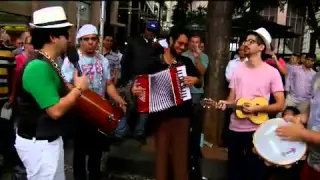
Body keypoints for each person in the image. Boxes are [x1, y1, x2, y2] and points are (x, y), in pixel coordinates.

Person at [14, 6, 89, 180]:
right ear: (53, 37)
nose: (70, 39)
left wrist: (72, 89)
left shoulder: (49, 63)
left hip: (48, 141)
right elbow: (55, 111)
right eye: (66, 35)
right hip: (39, 145)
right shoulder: (38, 67)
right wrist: (78, 89)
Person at [131, 26, 201, 180]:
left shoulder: (186, 62)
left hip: (182, 117)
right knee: (161, 160)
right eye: (179, 43)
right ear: (170, 41)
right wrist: (134, 89)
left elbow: (200, 80)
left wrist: (195, 79)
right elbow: (139, 83)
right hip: (161, 119)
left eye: (185, 45)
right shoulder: (154, 63)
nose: (182, 48)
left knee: (180, 161)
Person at [216, 27, 285, 180]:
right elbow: (231, 98)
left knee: (256, 173)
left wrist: (258, 108)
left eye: (251, 41)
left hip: (259, 132)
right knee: (234, 173)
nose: (246, 44)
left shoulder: (272, 72)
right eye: (246, 41)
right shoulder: (237, 70)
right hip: (234, 130)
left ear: (261, 47)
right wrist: (225, 104)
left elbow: (280, 105)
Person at [61, 24, 127, 180]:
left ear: (98, 41)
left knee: (96, 151)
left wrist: (119, 100)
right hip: (79, 112)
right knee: (79, 151)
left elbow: (108, 84)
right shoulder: (72, 60)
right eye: (86, 39)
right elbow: (65, 83)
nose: (90, 42)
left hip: (99, 112)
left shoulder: (103, 61)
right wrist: (79, 94)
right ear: (80, 41)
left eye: (94, 39)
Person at [120, 21, 161, 140]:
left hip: (149, 78)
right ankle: (122, 129)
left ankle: (140, 131)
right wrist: (125, 80)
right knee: (130, 105)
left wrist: (159, 49)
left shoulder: (156, 46)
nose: (150, 33)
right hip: (134, 77)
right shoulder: (133, 41)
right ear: (145, 30)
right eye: (149, 30)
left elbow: (161, 61)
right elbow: (125, 61)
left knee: (145, 105)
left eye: (153, 31)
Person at [276, 71, 320, 180]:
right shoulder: (318, 76)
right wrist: (298, 118)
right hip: (312, 160)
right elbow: (313, 107)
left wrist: (302, 133)